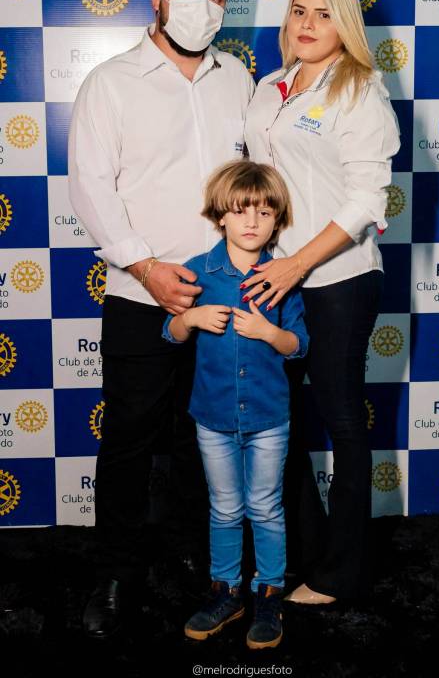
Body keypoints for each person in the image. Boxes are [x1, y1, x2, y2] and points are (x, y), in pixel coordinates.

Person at [68, 0, 255, 638]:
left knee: (201, 438)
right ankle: (116, 573)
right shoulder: (111, 82)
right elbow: (91, 188)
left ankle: (191, 556)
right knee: (128, 440)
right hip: (140, 297)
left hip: (221, 299)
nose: (202, 7)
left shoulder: (237, 80)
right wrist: (146, 268)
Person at [243, 0, 400, 604]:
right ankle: (299, 553)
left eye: (324, 14)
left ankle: (341, 573)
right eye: (299, 10)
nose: (307, 24)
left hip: (338, 278)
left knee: (342, 419)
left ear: (345, 25)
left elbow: (367, 200)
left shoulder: (359, 88)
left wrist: (296, 265)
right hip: (272, 276)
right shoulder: (268, 87)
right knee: (272, 419)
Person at [163, 160, 308, 649]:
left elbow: (299, 345)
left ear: (277, 219)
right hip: (213, 417)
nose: (252, 222)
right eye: (241, 211)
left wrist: (268, 332)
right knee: (224, 509)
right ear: (220, 215)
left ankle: (269, 593)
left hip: (269, 417)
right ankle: (225, 593)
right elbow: (170, 332)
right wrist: (192, 318)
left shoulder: (282, 276)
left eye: (264, 213)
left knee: (265, 507)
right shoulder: (199, 272)